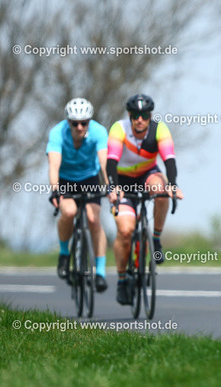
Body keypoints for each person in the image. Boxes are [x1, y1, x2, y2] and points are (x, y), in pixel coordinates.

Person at [107, 94, 183, 305]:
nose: (140, 120)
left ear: (150, 116)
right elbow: (111, 160)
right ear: (129, 115)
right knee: (125, 231)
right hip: (122, 181)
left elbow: (169, 159)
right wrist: (113, 187)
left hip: (148, 175)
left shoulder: (160, 129)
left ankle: (156, 240)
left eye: (144, 116)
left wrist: (173, 185)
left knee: (162, 191)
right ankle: (122, 279)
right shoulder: (119, 129)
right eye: (135, 115)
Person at [47, 98, 109, 292]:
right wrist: (55, 190)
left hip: (89, 178)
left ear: (90, 121)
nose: (80, 127)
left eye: (84, 123)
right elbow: (54, 166)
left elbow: (104, 163)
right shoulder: (57, 133)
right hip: (65, 180)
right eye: (75, 123)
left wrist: (111, 186)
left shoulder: (99, 132)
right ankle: (64, 253)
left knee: (93, 218)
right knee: (69, 212)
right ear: (68, 122)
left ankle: (100, 272)